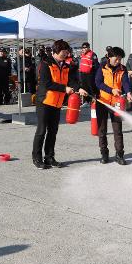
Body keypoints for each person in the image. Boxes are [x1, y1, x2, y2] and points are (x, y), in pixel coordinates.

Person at [32, 39, 87, 169]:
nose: (66, 54)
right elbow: (46, 83)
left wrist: (78, 88)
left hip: (57, 103)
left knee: (53, 131)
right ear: (56, 51)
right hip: (44, 102)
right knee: (41, 131)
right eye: (64, 52)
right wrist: (64, 89)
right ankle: (37, 158)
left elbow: (71, 81)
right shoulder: (45, 64)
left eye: (67, 52)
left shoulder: (65, 66)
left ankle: (49, 157)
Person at [95, 46, 132, 165]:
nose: (118, 61)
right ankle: (104, 153)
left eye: (120, 59)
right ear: (109, 57)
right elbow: (98, 83)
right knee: (102, 130)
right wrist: (111, 90)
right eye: (116, 59)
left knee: (118, 130)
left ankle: (119, 154)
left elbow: (125, 82)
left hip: (117, 102)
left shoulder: (123, 68)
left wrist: (128, 92)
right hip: (102, 101)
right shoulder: (102, 67)